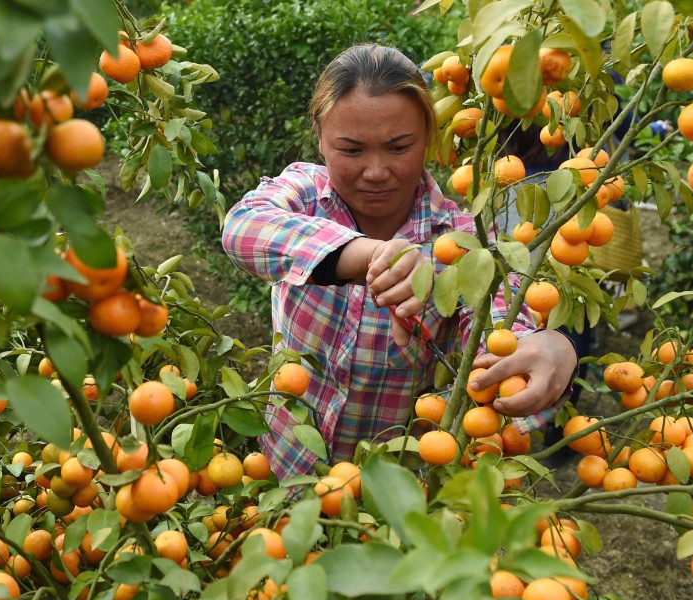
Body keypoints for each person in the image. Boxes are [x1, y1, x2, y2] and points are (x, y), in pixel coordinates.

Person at [221, 44, 579, 479]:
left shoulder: (462, 244)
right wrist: (368, 254)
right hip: (286, 462)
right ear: (320, 135)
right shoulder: (305, 195)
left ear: (428, 136)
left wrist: (548, 348)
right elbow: (243, 227)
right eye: (351, 150)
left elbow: (499, 328)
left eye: (398, 147)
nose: (375, 171)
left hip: (395, 491)